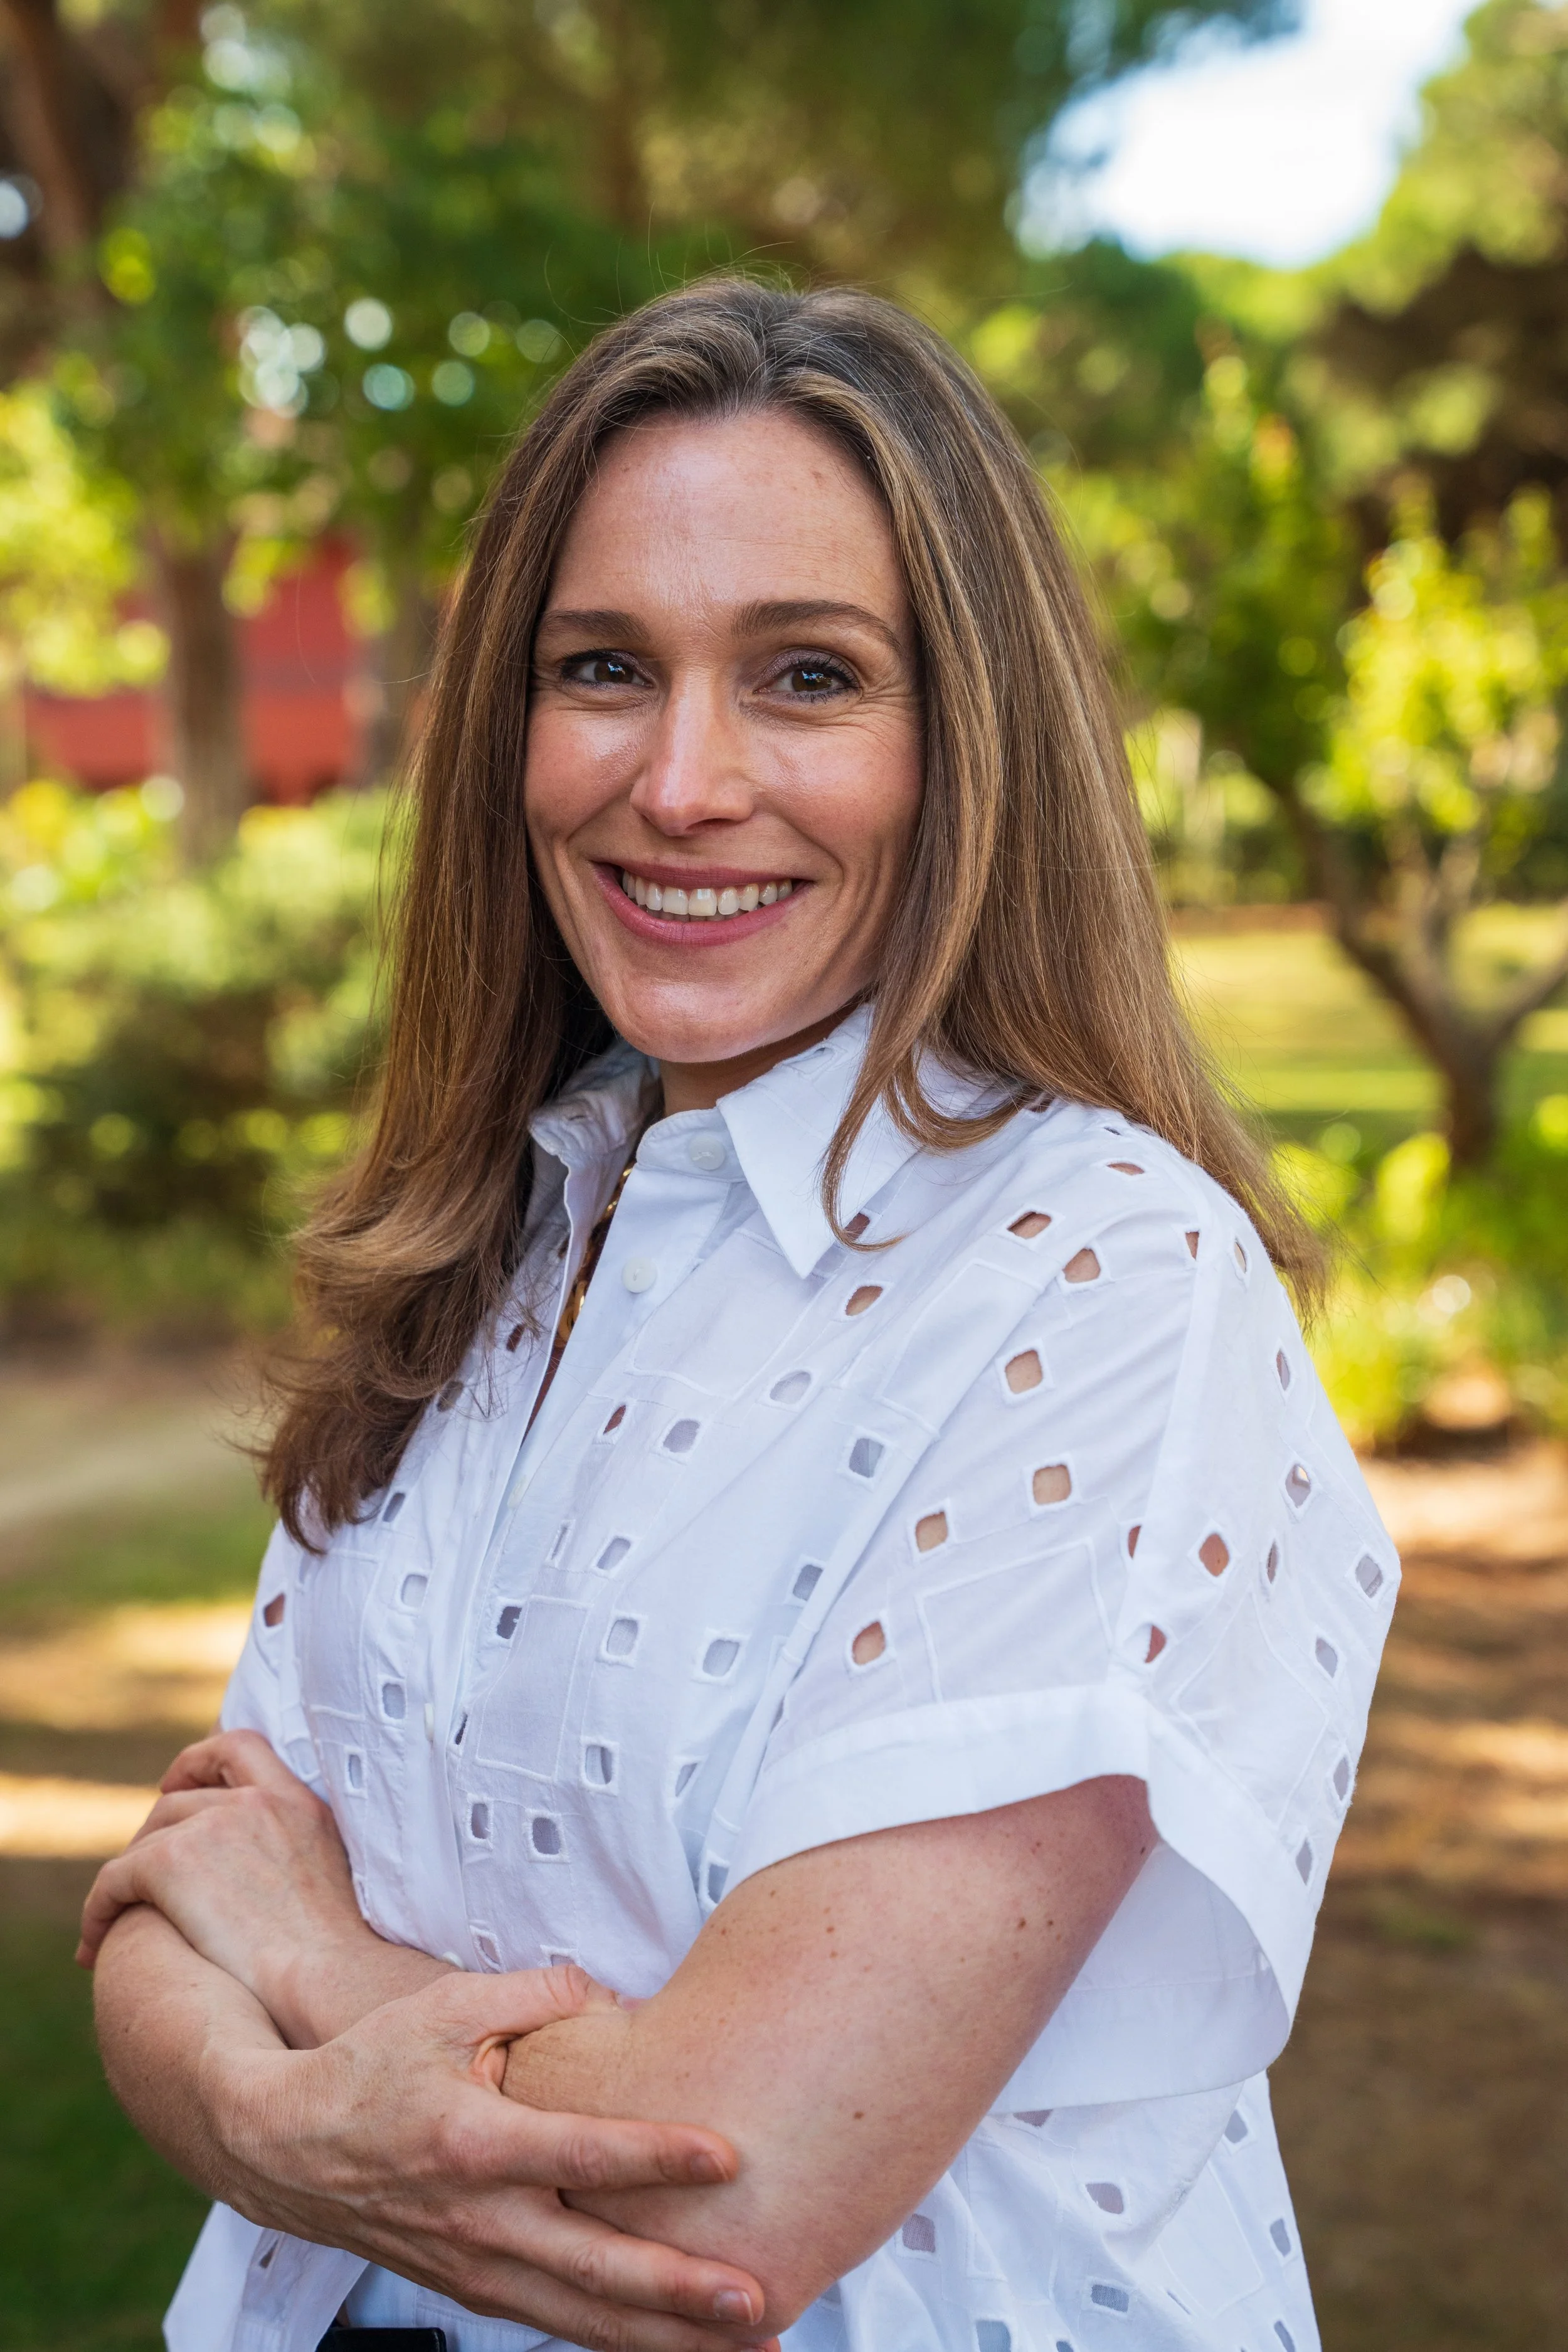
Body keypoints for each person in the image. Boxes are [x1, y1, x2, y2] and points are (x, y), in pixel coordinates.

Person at [81, 278, 1397, 2352]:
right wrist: (268, 2115)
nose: (682, 782)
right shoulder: (491, 1238)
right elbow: (166, 1899)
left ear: (965, 741)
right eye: (604, 667)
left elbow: (737, 2175)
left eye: (805, 676)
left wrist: (310, 1975)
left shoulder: (1096, 1279)